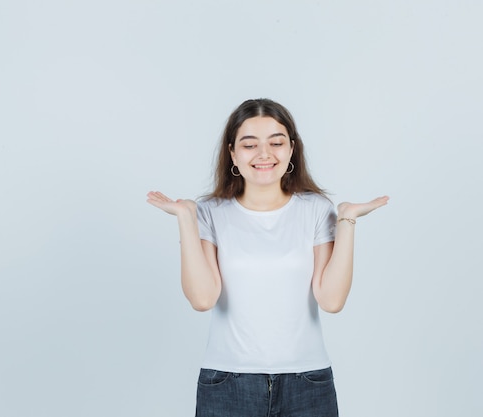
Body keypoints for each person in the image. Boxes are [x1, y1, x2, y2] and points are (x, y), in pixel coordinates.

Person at [146, 98, 388, 417]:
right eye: (250, 145)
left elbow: (331, 300)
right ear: (232, 152)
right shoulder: (210, 213)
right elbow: (203, 298)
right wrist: (186, 217)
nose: (264, 154)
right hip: (226, 384)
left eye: (276, 142)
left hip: (308, 383)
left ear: (292, 149)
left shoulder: (315, 209)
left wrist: (347, 218)